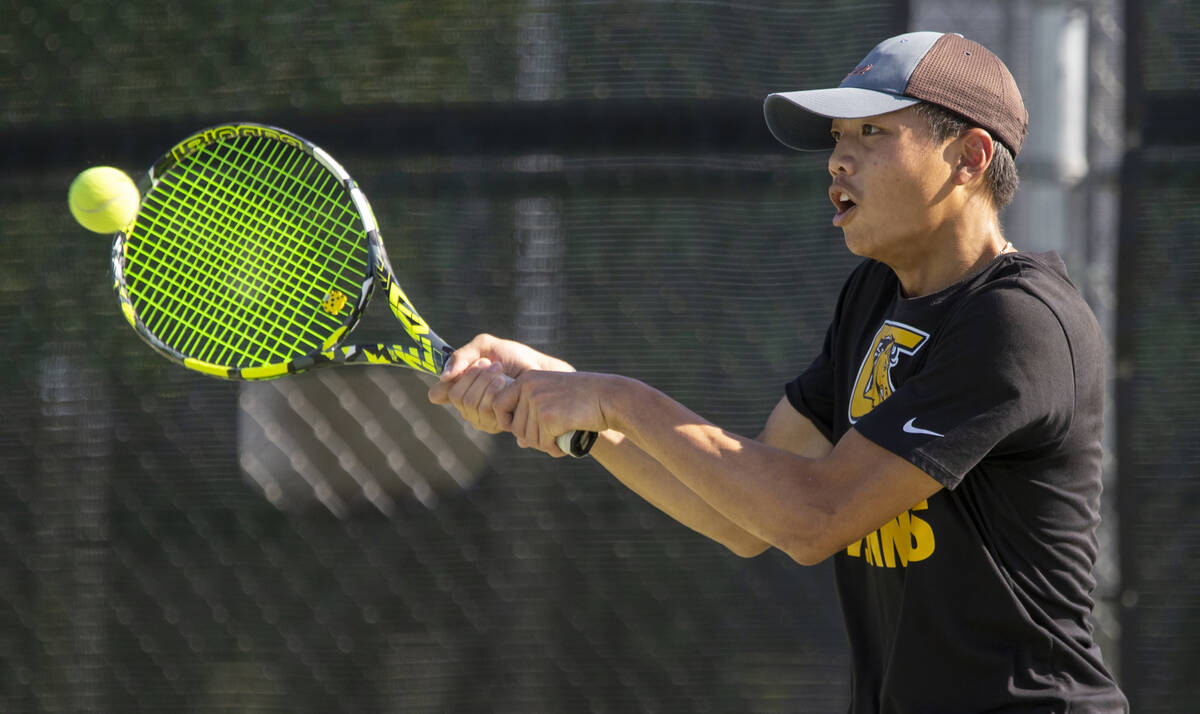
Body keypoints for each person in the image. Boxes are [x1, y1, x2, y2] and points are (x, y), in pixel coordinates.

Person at [428, 31, 1128, 713]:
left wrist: (614, 400)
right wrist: (579, 410)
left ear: (971, 157)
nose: (837, 162)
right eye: (835, 141)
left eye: (871, 134)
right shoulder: (873, 297)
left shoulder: (1020, 324)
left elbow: (812, 517)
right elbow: (742, 515)